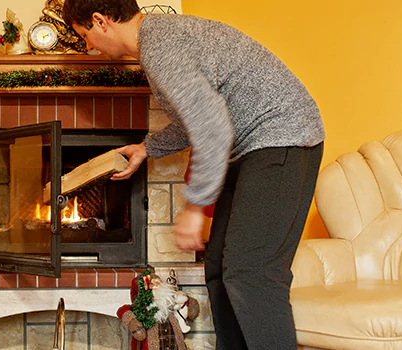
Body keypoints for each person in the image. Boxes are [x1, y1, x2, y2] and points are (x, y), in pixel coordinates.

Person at [62, 1, 326, 349]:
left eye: (84, 35)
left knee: (252, 273)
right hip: (249, 148)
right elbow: (198, 117)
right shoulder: (158, 41)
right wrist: (147, 147)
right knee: (218, 268)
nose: (88, 46)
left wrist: (194, 206)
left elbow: (210, 125)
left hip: (281, 138)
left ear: (100, 21)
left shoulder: (161, 46)